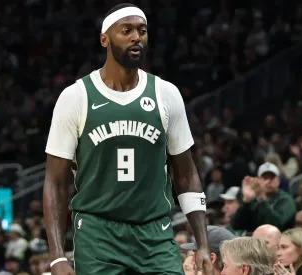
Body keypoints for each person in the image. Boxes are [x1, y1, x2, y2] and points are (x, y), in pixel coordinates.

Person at [43, 3, 213, 275]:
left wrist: (203, 243)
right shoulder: (76, 97)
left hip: (155, 233)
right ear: (104, 39)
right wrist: (57, 257)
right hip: (98, 234)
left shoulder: (166, 94)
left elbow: (186, 174)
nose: (137, 37)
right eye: (127, 30)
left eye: (142, 31)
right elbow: (55, 181)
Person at [231, 162, 296, 232]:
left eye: (272, 178)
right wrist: (246, 201)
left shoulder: (286, 200)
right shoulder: (253, 199)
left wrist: (261, 198)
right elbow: (236, 225)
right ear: (258, 180)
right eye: (265, 178)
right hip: (253, 240)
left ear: (278, 181)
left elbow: (275, 225)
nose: (268, 181)